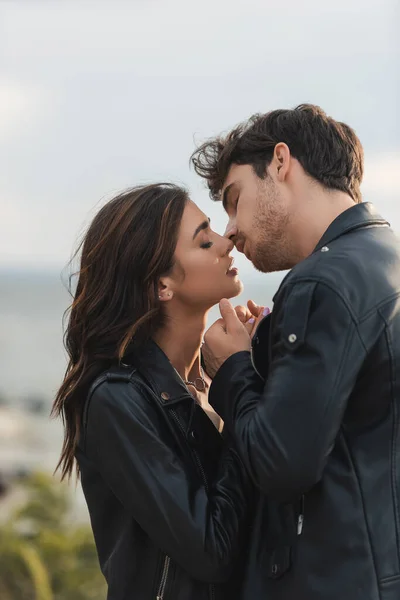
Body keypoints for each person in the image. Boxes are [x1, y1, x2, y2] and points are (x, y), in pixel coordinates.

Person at [191, 104, 400, 600]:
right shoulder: (384, 256)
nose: (231, 231)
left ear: (282, 162)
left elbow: (282, 465)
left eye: (235, 199)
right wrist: (270, 351)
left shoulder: (322, 282)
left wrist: (233, 369)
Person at [52, 183, 257, 600]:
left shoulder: (202, 384)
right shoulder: (117, 399)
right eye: (204, 240)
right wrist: (240, 395)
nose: (225, 240)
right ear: (162, 284)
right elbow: (211, 551)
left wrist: (248, 372)